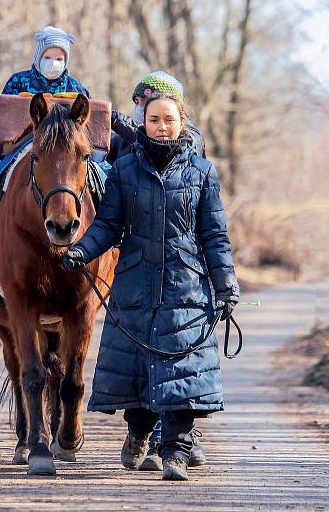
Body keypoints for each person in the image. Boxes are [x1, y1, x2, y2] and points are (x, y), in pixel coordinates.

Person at [62, 93, 239, 481]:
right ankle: (138, 432)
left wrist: (226, 285)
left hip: (187, 287)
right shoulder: (123, 170)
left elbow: (215, 235)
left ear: (182, 122)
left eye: (170, 119)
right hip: (135, 284)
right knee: (139, 370)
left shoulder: (202, 173)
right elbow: (108, 226)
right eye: (155, 119)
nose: (162, 126)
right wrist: (80, 252)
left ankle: (175, 451)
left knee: (183, 371)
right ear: (143, 123)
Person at [0, 26, 90, 215]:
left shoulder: (76, 87)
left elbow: (85, 120)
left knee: (103, 173)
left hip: (67, 149)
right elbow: (4, 115)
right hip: (20, 143)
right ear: (38, 57)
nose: (53, 63)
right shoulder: (18, 81)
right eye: (48, 58)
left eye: (59, 59)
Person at [109, 70, 205, 164]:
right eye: (136, 102)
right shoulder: (125, 138)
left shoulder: (193, 137)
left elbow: (158, 146)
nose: (137, 107)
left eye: (142, 101)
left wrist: (115, 120)